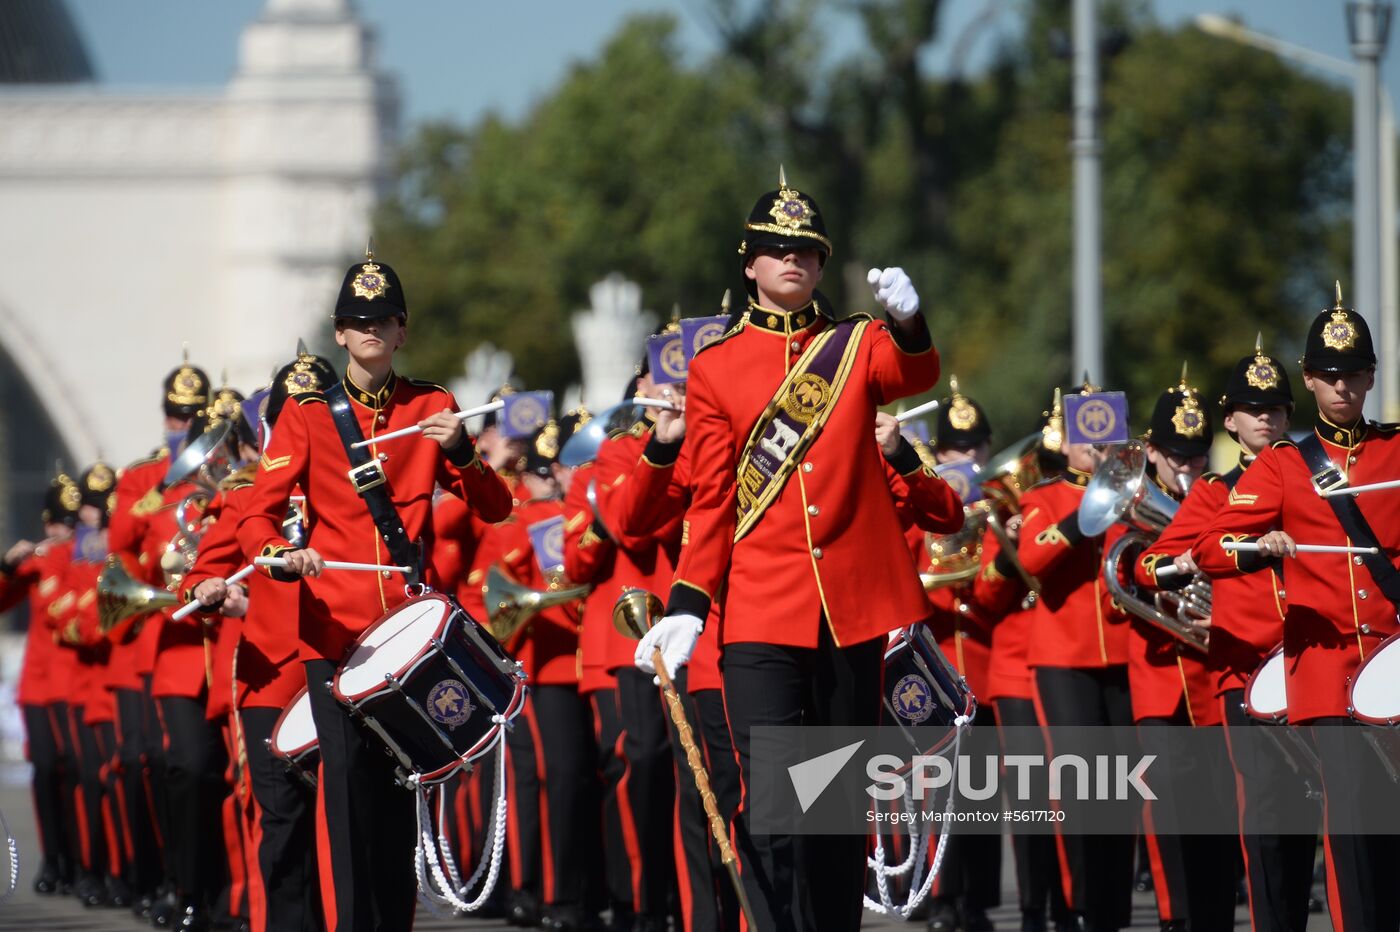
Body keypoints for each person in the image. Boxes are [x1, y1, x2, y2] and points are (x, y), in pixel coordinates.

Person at [633, 170, 947, 931]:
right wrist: (687, 602)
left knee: (838, 809)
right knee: (774, 807)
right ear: (749, 263)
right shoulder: (716, 366)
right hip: (762, 612)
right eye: (776, 250)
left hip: (852, 607)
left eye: (806, 250)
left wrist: (910, 322)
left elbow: (912, 372)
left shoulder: (856, 344)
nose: (792, 262)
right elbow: (710, 498)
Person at [236, 249, 513, 932]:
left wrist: (462, 452)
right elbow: (255, 514)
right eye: (358, 321)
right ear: (339, 332)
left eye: (383, 320)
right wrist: (277, 554)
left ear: (402, 331)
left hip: (408, 637)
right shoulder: (305, 415)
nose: (371, 331)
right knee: (351, 808)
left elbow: (497, 508)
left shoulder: (433, 406)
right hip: (334, 637)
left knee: (402, 807)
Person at [1195, 285, 1400, 932]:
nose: (1343, 387)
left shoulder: (1396, 451)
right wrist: (1258, 548)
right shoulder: (1284, 465)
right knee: (1356, 843)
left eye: (1355, 375)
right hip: (1328, 678)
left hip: (1395, 665)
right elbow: (1209, 545)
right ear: (1310, 380)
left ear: (1371, 377)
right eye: (1330, 377)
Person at [1135, 340, 1316, 932]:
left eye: (1277, 408)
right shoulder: (1214, 494)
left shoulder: (1321, 483)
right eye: (1251, 408)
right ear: (1230, 420)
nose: (1266, 416)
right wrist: (1194, 564)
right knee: (1266, 826)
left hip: (1317, 668)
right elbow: (1151, 564)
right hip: (1245, 676)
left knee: (1318, 826)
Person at [1016, 386, 1135, 932]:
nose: (1098, 448)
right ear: (1066, 444)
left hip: (1123, 651)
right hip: (1064, 656)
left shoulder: (1131, 491)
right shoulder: (1043, 497)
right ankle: (1079, 905)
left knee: (1123, 789)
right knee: (1084, 788)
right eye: (1089, 438)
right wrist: (1082, 517)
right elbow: (1033, 558)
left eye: (1106, 436)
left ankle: (1112, 909)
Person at [108, 355, 211, 921]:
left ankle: (211, 886)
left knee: (211, 769)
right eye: (176, 415)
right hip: (166, 633)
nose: (183, 424)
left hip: (217, 632)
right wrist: (162, 491)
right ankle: (173, 877)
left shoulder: (220, 467)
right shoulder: (141, 476)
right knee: (167, 765)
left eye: (191, 415)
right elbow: (122, 544)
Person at [0, 469, 82, 896]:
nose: (60, 532)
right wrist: (7, 565)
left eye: (68, 525)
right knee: (47, 774)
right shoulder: (35, 561)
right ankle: (54, 860)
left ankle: (86, 862)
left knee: (82, 777)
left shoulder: (87, 556)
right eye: (56, 523)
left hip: (79, 683)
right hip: (40, 685)